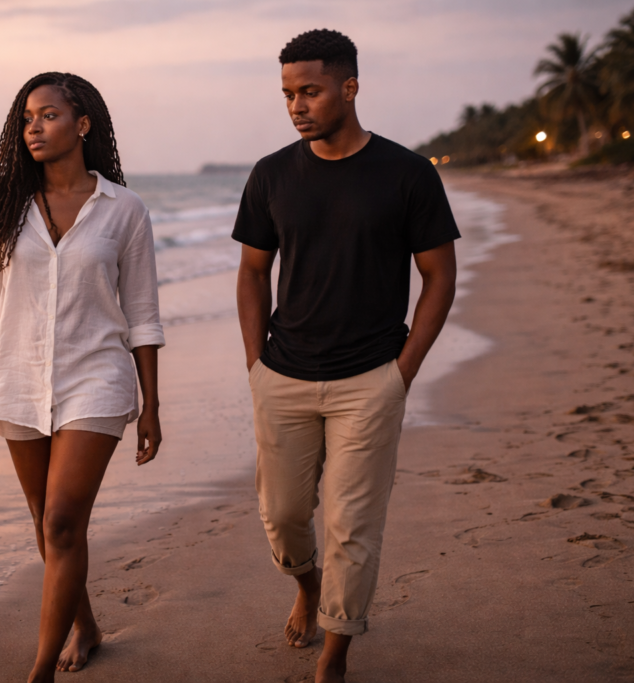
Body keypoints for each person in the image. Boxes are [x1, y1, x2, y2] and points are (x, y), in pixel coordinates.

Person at [233, 29, 459, 683]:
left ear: (350, 87)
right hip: (284, 374)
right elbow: (251, 273)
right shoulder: (271, 174)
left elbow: (439, 276)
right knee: (281, 516)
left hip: (371, 378)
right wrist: (256, 365)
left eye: (309, 90)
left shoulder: (408, 173)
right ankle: (306, 587)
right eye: (287, 94)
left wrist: (403, 372)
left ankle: (336, 655)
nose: (296, 105)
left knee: (352, 524)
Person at [0, 72, 164, 683]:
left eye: (47, 115)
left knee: (63, 520)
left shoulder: (124, 210)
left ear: (83, 124)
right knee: (48, 524)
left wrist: (151, 405)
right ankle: (87, 626)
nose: (34, 128)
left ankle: (40, 671)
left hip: (96, 376)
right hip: (17, 382)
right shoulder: (6, 210)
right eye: (26, 119)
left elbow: (144, 315)